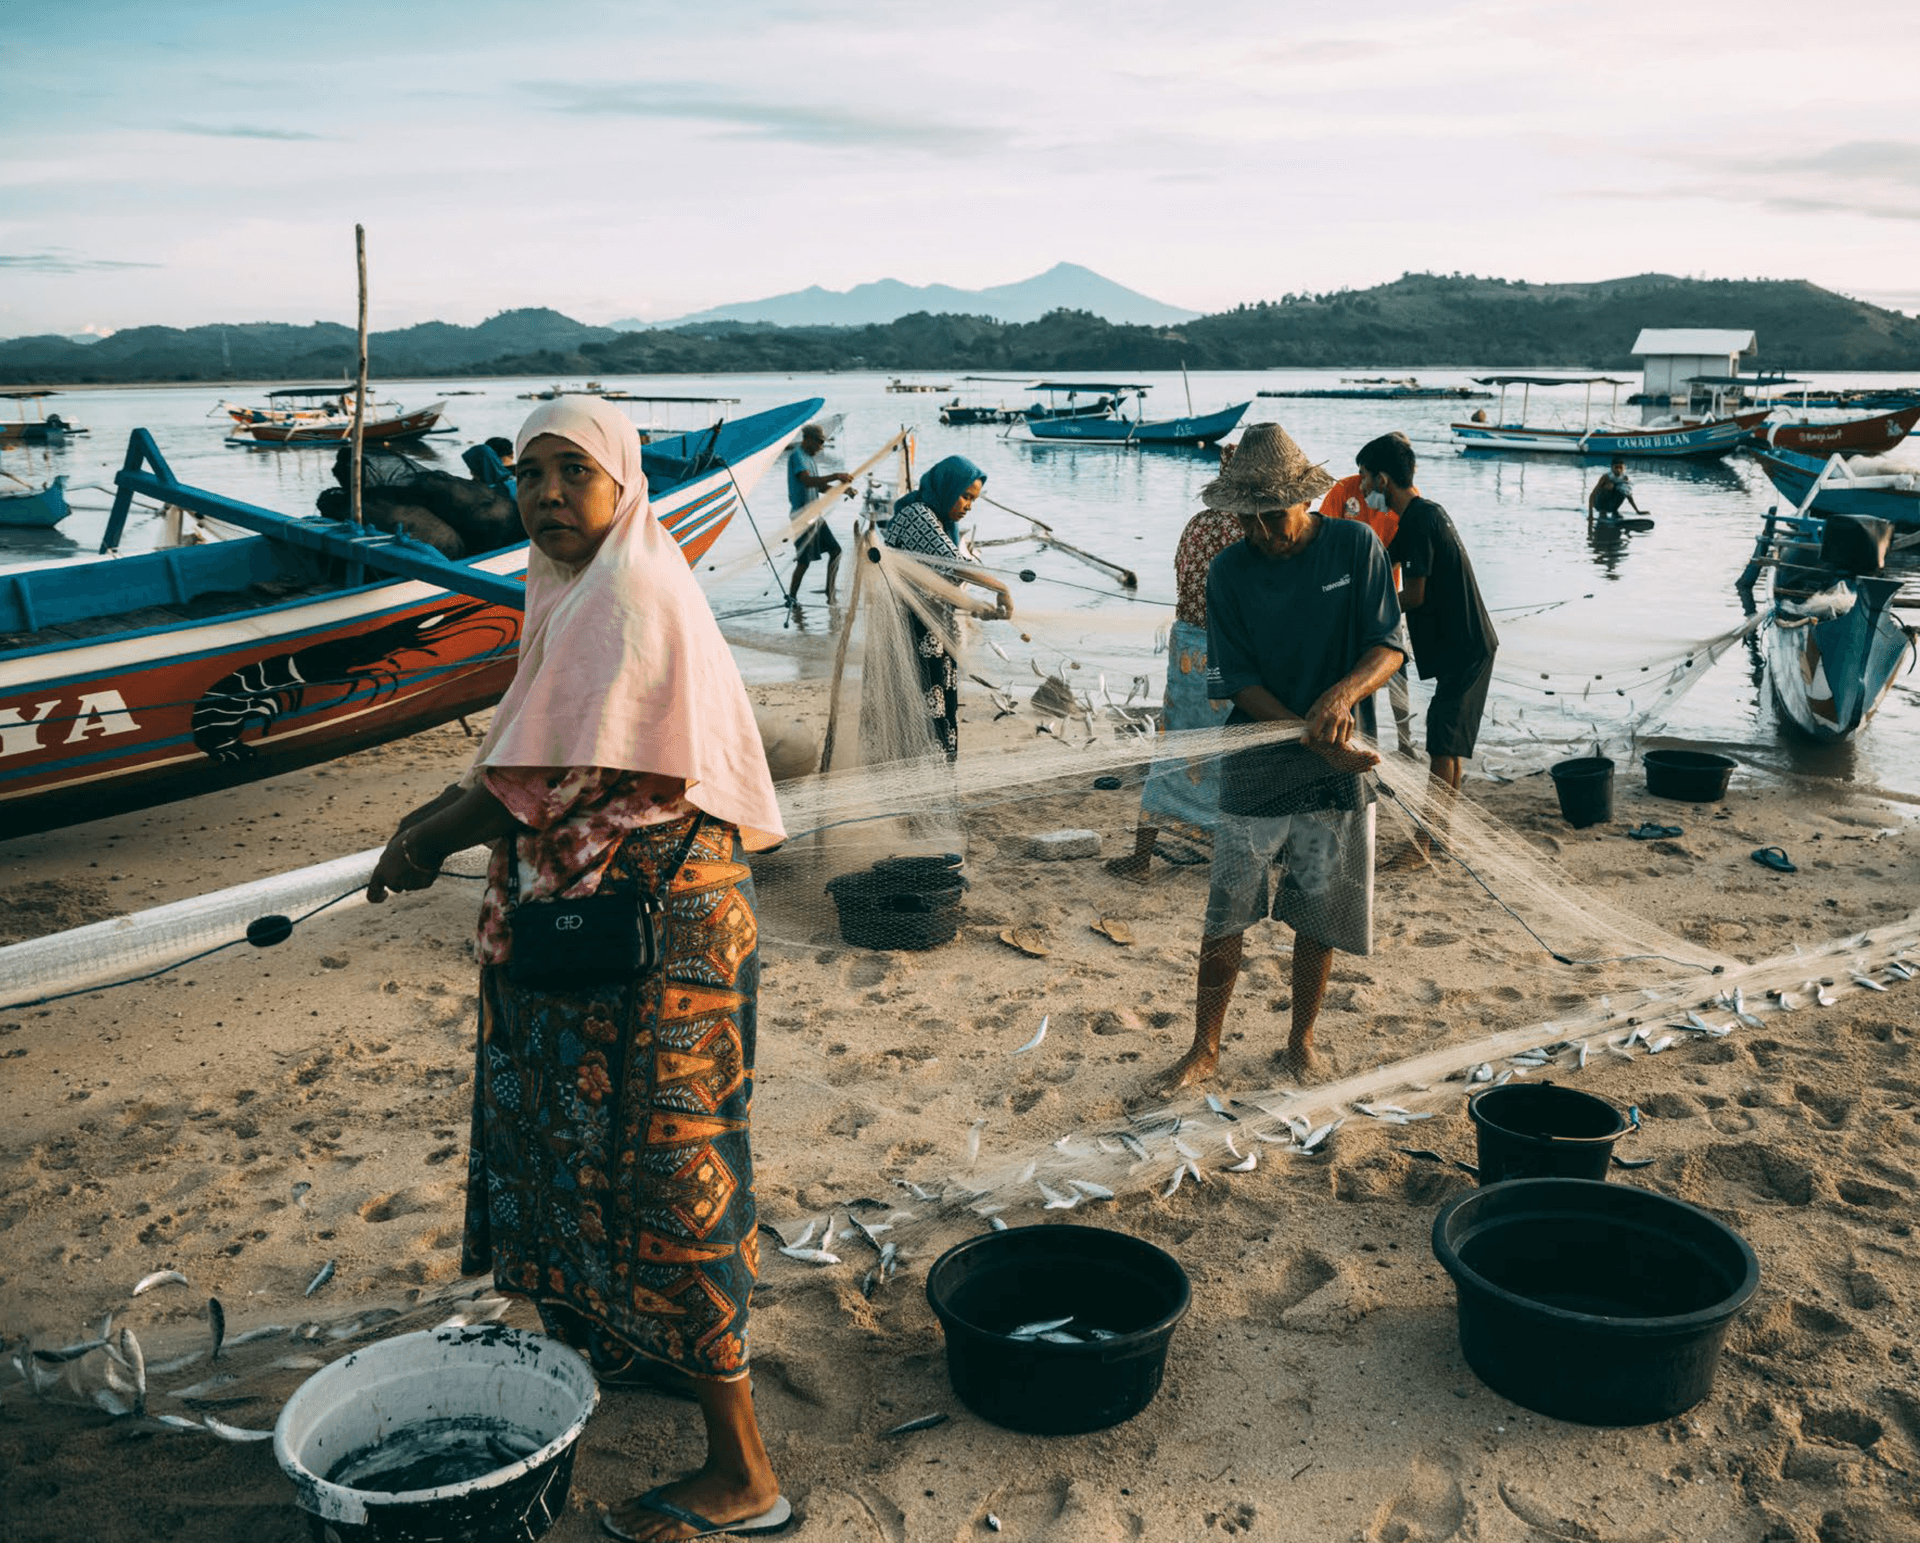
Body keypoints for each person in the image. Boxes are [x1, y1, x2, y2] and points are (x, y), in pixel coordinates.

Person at [366, 397, 792, 1543]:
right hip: (592, 913)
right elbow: (531, 756)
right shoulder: (572, 586)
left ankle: (746, 1476)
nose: (548, 494)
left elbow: (542, 767)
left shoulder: (625, 592)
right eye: (528, 473)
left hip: (659, 932)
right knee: (563, 1139)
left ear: (623, 485)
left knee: (669, 1168)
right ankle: (625, 1345)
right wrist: (440, 821)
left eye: (573, 472)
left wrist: (424, 837)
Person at [1153, 423, 1405, 1092]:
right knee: (1226, 909)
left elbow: (1388, 647)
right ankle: (1204, 1046)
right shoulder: (1228, 570)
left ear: (1306, 500)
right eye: (1248, 521)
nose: (1262, 533)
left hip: (1337, 763)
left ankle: (1301, 1041)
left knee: (1317, 909)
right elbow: (1237, 681)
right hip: (1260, 756)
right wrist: (1304, 729)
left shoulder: (1355, 546)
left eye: (1273, 517)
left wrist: (1342, 696)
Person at [1356, 432, 1499, 860]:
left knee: (1442, 747)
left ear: (1383, 479)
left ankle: (1426, 840)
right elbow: (1384, 561)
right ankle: (1439, 835)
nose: (1362, 488)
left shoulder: (1418, 520)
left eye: (1364, 478)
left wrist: (1366, 615)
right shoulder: (1426, 514)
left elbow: (1413, 595)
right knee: (1448, 745)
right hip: (1471, 645)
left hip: (1465, 648)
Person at [1107, 442, 1241, 879]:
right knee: (1234, 751)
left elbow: (1186, 583)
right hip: (1228, 648)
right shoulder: (1249, 530)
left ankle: (1141, 859)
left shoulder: (1198, 523)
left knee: (1172, 748)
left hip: (1185, 646)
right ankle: (1230, 853)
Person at [883, 454, 1014, 761]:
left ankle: (939, 782)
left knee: (941, 710)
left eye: (974, 500)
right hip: (913, 629)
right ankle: (926, 783)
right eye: (965, 496)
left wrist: (974, 604)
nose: (968, 505)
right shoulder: (918, 514)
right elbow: (952, 566)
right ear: (947, 486)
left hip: (933, 628)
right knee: (925, 711)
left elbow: (939, 579)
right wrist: (1001, 588)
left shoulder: (940, 520)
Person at [1320, 445, 1417, 755]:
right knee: (1357, 676)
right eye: (1361, 476)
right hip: (1343, 598)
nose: (1362, 484)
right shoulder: (1343, 491)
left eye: (1366, 477)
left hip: (1386, 594)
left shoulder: (1405, 500)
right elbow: (1322, 540)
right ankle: (1361, 741)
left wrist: (1377, 586)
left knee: (1394, 663)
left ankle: (1405, 741)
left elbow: (1401, 554)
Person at [785, 423, 853, 604]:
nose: (821, 447)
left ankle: (830, 594)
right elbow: (807, 481)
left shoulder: (809, 458)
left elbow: (820, 486)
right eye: (819, 442)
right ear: (808, 439)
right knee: (803, 562)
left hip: (815, 516)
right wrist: (836, 475)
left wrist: (843, 491)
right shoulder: (797, 456)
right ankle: (792, 598)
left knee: (836, 550)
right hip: (801, 517)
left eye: (823, 443)